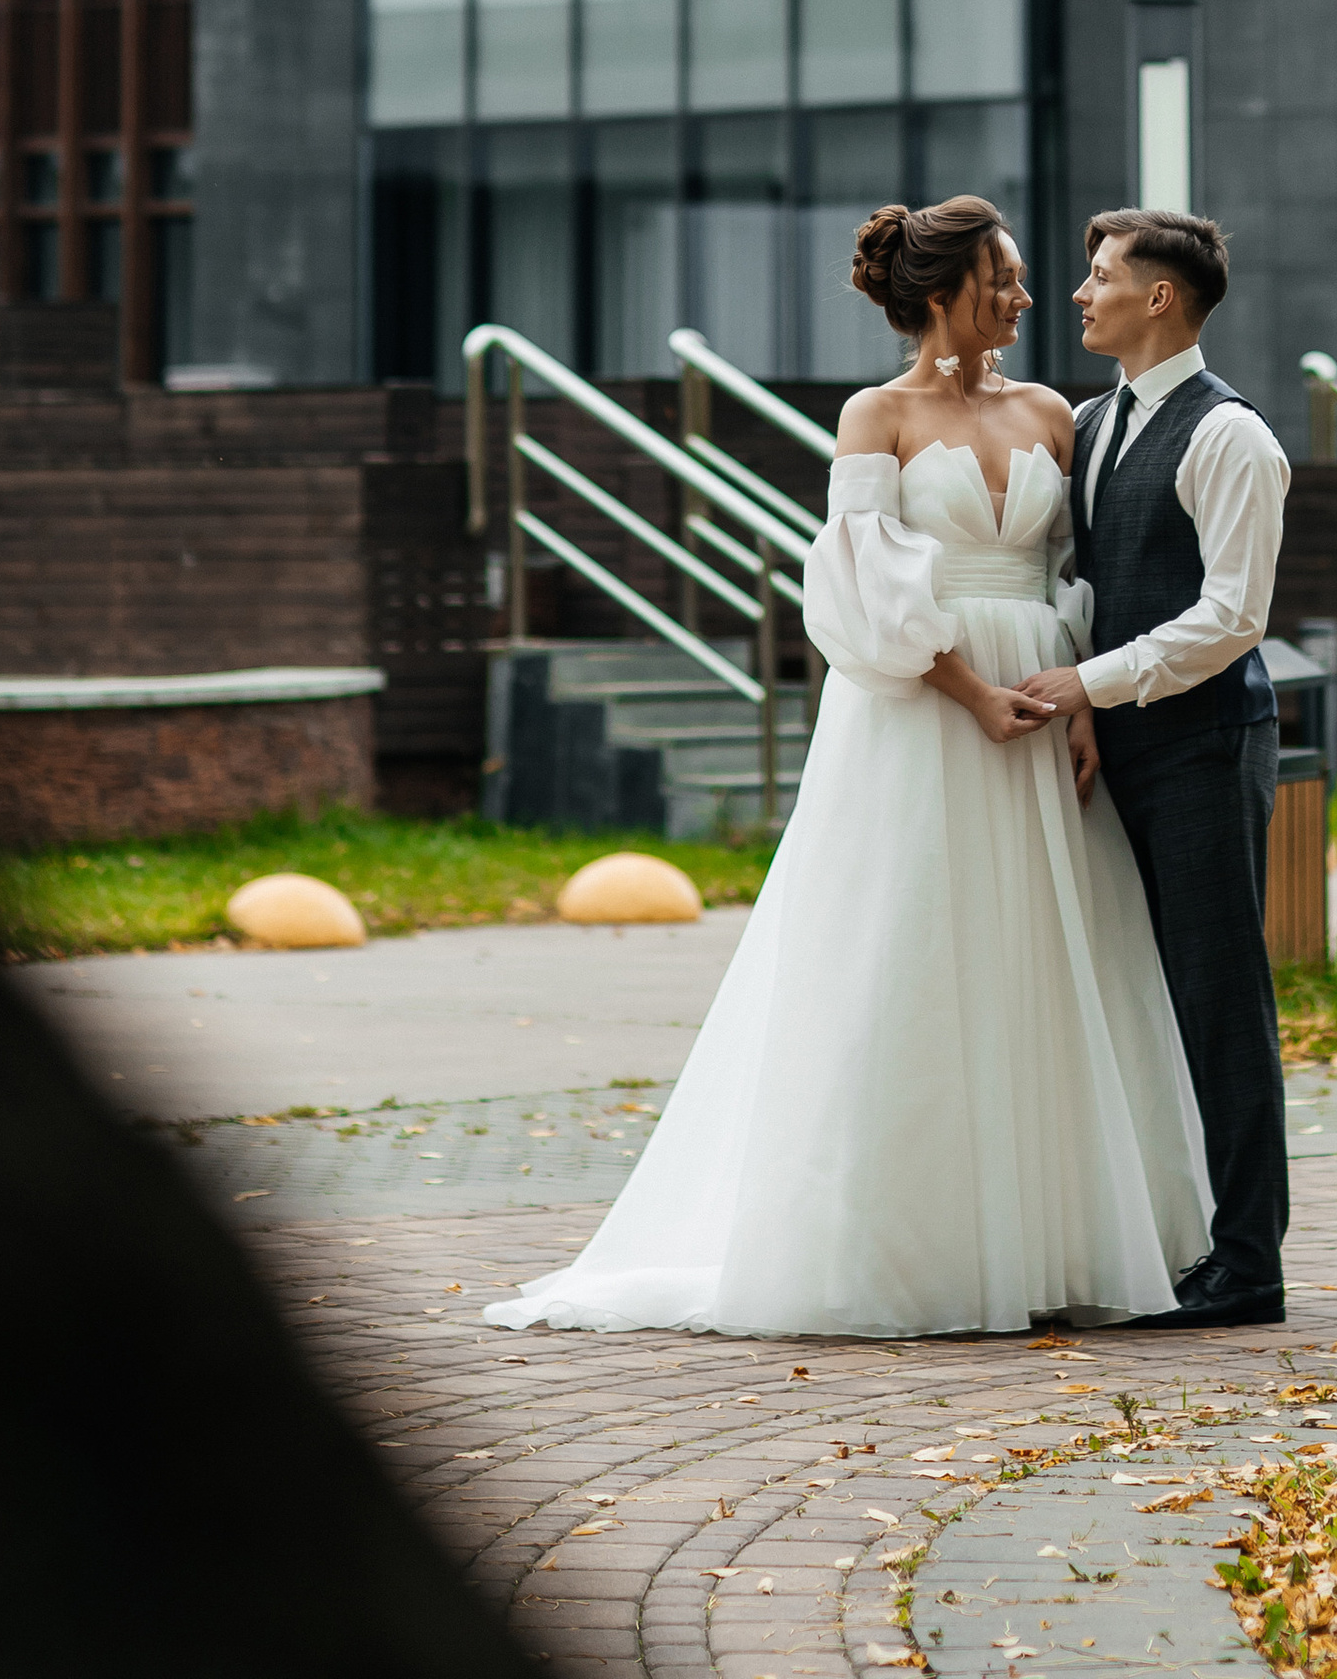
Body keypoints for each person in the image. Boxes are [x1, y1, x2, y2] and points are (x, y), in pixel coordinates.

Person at [482, 194, 1211, 1336]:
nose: (1024, 296)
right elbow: (855, 587)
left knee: (1044, 953)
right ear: (940, 294)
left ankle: (1057, 1234)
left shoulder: (1053, 414)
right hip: (922, 710)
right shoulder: (874, 416)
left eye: (1022, 278)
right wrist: (970, 693)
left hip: (1043, 699)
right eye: (1003, 279)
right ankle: (908, 1243)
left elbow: (1077, 578)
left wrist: (1078, 704)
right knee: (912, 947)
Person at [1014, 209, 1293, 1326]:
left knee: (1219, 999)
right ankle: (1170, 1237)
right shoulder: (1091, 421)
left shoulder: (1231, 438)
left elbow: (1233, 616)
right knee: (1137, 995)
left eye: (1098, 276)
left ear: (1160, 298)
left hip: (1204, 743)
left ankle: (1247, 1265)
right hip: (1115, 745)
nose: (1080, 295)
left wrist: (1089, 685)